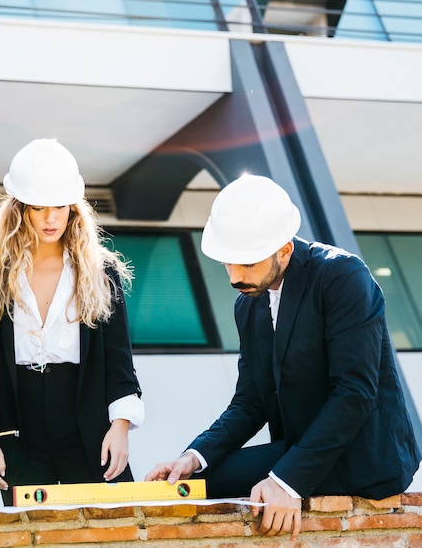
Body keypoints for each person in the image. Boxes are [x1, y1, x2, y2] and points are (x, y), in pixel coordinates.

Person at [145, 174, 421, 540]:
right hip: (298, 450)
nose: (234, 277)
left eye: (248, 264)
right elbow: (249, 402)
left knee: (240, 490)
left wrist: (287, 482)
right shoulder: (248, 305)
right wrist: (193, 456)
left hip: (364, 455)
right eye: (228, 262)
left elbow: (354, 392)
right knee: (191, 481)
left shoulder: (342, 276)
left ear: (285, 250)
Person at [0, 138, 144, 505]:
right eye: (38, 208)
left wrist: (121, 427)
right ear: (20, 209)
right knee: (30, 535)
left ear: (73, 208)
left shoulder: (102, 271)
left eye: (59, 207)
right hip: (17, 428)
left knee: (103, 533)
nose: (50, 219)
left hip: (87, 426)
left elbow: (119, 362)